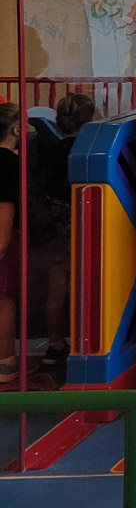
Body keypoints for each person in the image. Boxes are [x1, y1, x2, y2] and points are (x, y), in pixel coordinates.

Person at [28, 93, 95, 370]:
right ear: (91, 120)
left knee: (57, 286)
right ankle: (86, 342)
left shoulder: (48, 149)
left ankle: (55, 344)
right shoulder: (88, 151)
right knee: (88, 285)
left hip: (55, 226)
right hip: (84, 222)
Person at [0, 104, 23, 385]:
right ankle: (6, 360)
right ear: (16, 130)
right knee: (5, 297)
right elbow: (5, 205)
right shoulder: (9, 163)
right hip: (6, 233)